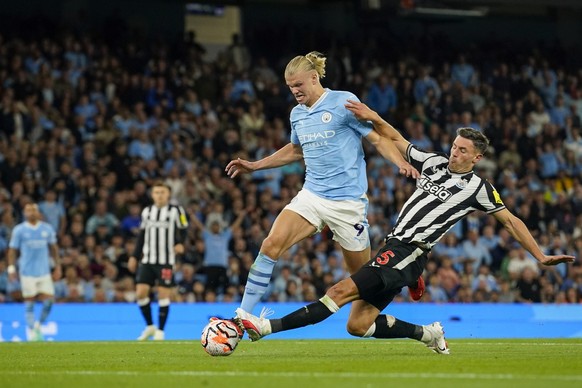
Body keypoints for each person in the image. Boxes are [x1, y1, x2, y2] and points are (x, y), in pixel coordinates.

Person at [235, 105, 576, 354]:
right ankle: (428, 334)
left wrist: (540, 255)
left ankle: (265, 327)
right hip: (393, 247)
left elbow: (511, 221)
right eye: (455, 146)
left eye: (463, 151)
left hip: (408, 252)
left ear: (476, 158)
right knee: (357, 326)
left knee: (339, 292)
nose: (454, 153)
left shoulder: (479, 189)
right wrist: (374, 116)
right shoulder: (433, 163)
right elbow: (396, 139)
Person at [225, 51, 420, 326]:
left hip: (347, 204)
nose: (294, 91)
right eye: (290, 87)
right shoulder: (297, 114)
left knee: (364, 280)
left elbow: (377, 139)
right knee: (270, 244)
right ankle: (242, 315)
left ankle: (405, 275)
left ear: (314, 78)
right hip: (312, 196)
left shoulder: (342, 102)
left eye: (298, 85)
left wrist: (400, 162)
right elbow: (295, 150)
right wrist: (255, 166)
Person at [128, 182, 189, 341]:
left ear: (168, 194)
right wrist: (134, 256)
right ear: (152, 195)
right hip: (147, 259)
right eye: (156, 192)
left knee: (163, 294)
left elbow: (184, 229)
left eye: (162, 192)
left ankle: (160, 331)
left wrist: (181, 243)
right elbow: (141, 236)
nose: (159, 195)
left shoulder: (176, 211)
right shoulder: (147, 212)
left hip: (165, 261)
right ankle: (150, 326)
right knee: (140, 293)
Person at [7, 203, 61, 341]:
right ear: (24, 213)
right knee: (29, 301)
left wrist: (58, 267)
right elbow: (12, 250)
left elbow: (53, 248)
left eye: (34, 210)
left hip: (44, 271)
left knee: (49, 301)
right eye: (28, 210)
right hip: (27, 272)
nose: (31, 212)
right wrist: (11, 268)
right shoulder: (19, 230)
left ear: (38, 213)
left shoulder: (47, 229)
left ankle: (38, 325)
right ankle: (32, 331)